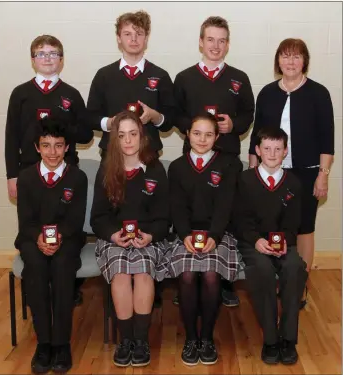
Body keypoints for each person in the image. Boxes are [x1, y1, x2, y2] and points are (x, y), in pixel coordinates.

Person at [5, 34, 93, 305]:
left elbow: (87, 135)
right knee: (34, 233)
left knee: (66, 231)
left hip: (64, 174)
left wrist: (63, 124)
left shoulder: (71, 95)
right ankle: (37, 287)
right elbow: (11, 137)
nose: (47, 58)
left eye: (53, 53)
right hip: (30, 175)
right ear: (33, 60)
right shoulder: (20, 93)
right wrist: (12, 175)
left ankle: (69, 287)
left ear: (61, 59)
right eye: (41, 54)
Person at [173, 16, 254, 307]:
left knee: (226, 215)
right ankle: (188, 275)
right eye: (210, 39)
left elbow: (248, 114)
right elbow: (175, 115)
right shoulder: (184, 77)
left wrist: (235, 125)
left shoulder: (239, 78)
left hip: (227, 158)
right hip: (194, 157)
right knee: (193, 212)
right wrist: (194, 125)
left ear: (227, 44)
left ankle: (224, 281)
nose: (215, 45)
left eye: (221, 40)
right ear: (201, 42)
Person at [248, 38, 334, 308]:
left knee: (304, 227)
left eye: (296, 57)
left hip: (307, 172)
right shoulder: (267, 93)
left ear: (304, 61)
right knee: (273, 225)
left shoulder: (319, 93)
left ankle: (300, 284)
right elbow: (255, 136)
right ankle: (277, 279)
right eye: (285, 56)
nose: (290, 62)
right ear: (278, 61)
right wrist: (253, 170)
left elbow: (327, 138)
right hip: (272, 171)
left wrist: (323, 175)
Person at [90, 110, 170, 367]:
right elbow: (98, 218)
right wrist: (114, 235)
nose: (127, 141)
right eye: (121, 135)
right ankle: (126, 340)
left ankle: (141, 339)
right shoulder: (106, 170)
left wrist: (150, 236)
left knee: (143, 270)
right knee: (122, 272)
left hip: (149, 239)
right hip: (115, 240)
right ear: (114, 139)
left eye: (133, 134)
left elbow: (164, 218)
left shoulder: (156, 169)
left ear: (142, 136)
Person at [168, 113, 243, 366]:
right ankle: (191, 338)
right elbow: (176, 208)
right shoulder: (176, 167)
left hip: (219, 233)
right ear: (187, 134)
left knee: (211, 274)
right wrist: (185, 235)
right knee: (188, 274)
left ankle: (207, 337)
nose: (202, 139)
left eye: (209, 134)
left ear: (217, 137)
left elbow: (225, 206)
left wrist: (214, 236)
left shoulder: (230, 164)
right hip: (185, 233)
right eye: (197, 133)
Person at [15, 118, 88, 373]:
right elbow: (25, 220)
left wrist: (57, 239)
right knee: (34, 268)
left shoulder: (77, 177)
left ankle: (61, 344)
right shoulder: (25, 178)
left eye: (58, 146)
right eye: (46, 146)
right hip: (32, 237)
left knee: (61, 268)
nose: (53, 152)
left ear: (67, 147)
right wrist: (38, 238)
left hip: (66, 239)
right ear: (37, 148)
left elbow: (75, 220)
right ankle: (43, 343)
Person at [234, 127, 307, 365]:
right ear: (257, 150)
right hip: (252, 243)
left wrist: (285, 241)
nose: (272, 153)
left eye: (278, 149)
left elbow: (293, 222)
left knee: (295, 268)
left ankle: (288, 338)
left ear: (285, 151)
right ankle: (271, 339)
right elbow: (239, 219)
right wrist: (256, 240)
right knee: (263, 271)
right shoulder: (245, 180)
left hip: (284, 244)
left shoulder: (293, 183)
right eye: (267, 148)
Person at [87, 10, 176, 161]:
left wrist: (154, 116)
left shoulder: (161, 75)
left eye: (139, 34)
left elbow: (170, 121)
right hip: (112, 154)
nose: (133, 39)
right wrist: (110, 123)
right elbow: (90, 117)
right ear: (119, 38)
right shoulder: (104, 75)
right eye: (127, 34)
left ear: (146, 38)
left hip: (148, 153)